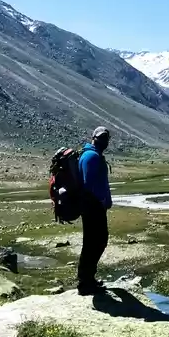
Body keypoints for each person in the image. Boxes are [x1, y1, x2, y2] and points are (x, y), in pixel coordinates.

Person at [77, 126, 112, 295]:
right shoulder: (91, 156)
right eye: (102, 137)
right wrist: (102, 199)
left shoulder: (92, 155)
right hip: (93, 207)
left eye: (106, 138)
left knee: (94, 242)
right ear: (94, 138)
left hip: (93, 206)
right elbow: (88, 184)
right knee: (95, 243)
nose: (104, 141)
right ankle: (85, 282)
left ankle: (88, 279)